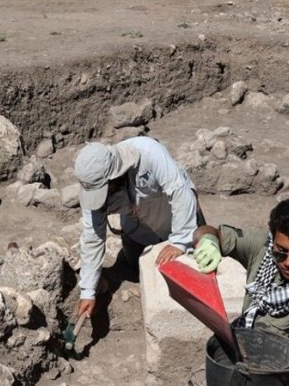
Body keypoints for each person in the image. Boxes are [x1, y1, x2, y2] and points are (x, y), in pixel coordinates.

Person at [191, 197, 289, 375]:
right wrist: (209, 240)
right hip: (236, 347)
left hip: (266, 375)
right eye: (281, 252)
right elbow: (207, 231)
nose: (288, 263)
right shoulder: (264, 247)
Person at [74, 137, 203, 319]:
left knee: (199, 269)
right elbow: (92, 236)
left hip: (179, 221)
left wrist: (180, 241)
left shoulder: (149, 153)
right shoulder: (92, 186)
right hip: (138, 232)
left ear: (114, 175)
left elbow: (179, 191)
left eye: (105, 189)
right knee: (139, 270)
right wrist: (88, 291)